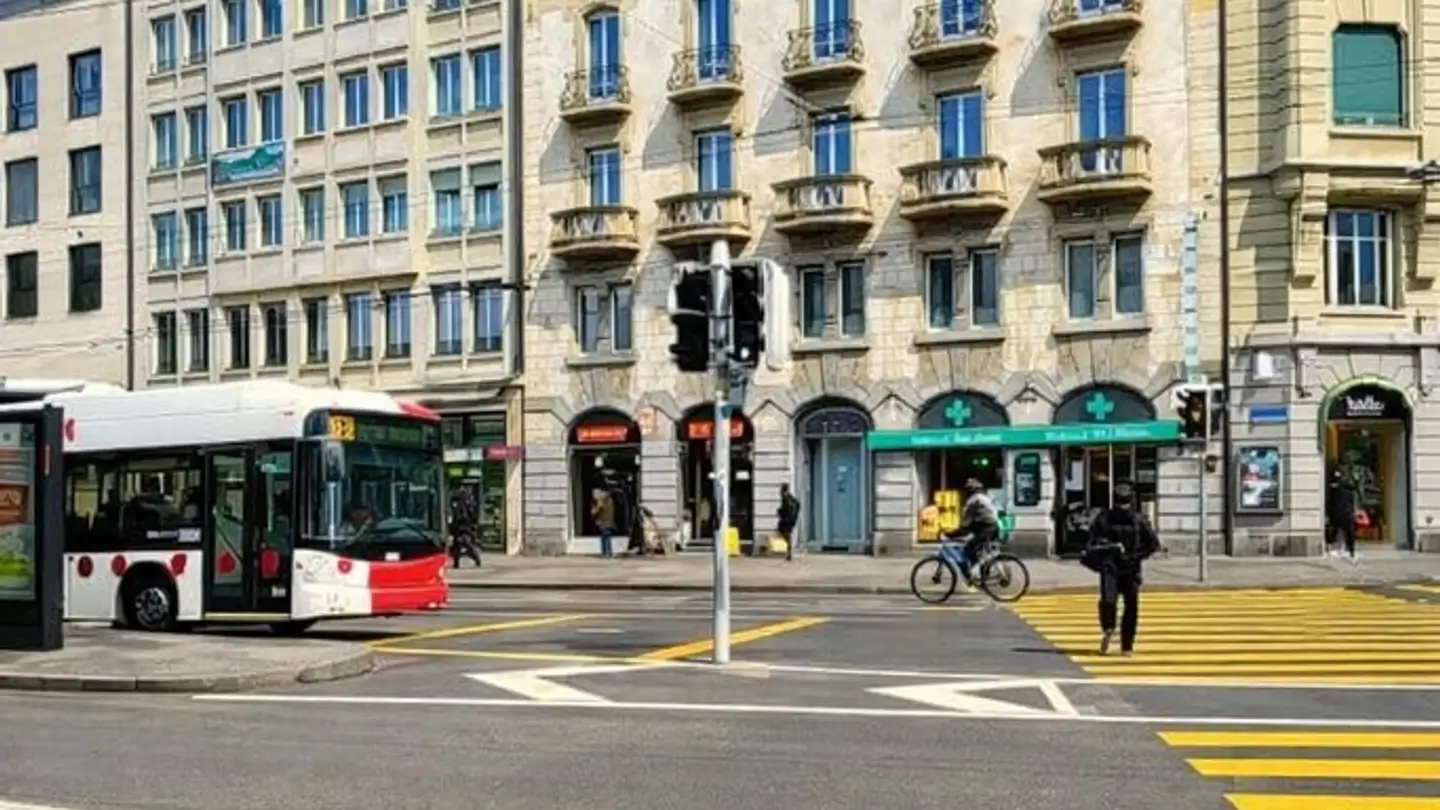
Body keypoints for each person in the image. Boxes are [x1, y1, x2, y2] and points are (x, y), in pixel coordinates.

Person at [1084, 481, 1159, 657]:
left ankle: (1127, 645)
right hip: (1111, 566)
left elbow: (1153, 544)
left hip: (1130, 568)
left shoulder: (1138, 520)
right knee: (1109, 601)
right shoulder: (1104, 518)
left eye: (1124, 503)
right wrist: (1106, 546)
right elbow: (1091, 541)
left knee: (1129, 606)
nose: (1122, 507)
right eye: (1119, 503)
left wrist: (1136, 555)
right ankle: (1109, 629)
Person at [944, 478, 998, 583]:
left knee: (970, 547)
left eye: (967, 490)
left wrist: (952, 533)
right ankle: (978, 572)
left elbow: (966, 522)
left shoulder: (974, 500)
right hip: (989, 526)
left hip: (986, 528)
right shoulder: (982, 497)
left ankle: (975, 574)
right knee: (972, 546)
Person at [1326, 469, 1358, 561]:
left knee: (1335, 530)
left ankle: (1331, 546)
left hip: (1338, 513)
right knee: (1348, 532)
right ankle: (1350, 550)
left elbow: (1331, 503)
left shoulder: (1334, 490)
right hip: (1345, 513)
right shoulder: (1347, 491)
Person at [449, 487, 482, 569]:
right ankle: (456, 563)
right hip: (460, 528)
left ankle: (475, 558)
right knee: (458, 545)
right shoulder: (459, 506)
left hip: (464, 528)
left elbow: (465, 516)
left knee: (465, 543)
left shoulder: (463, 506)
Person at [590, 487, 616, 559]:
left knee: (604, 538)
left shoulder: (602, 502)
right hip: (608, 521)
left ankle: (605, 552)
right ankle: (609, 552)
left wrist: (596, 507)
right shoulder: (610, 501)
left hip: (603, 521)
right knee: (607, 537)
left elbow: (596, 512)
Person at [777, 483, 801, 560]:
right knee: (786, 534)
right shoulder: (789, 497)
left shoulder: (786, 497)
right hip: (790, 519)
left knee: (786, 534)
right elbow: (797, 504)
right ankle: (788, 552)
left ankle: (789, 552)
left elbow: (787, 508)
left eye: (781, 490)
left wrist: (781, 512)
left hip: (787, 520)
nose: (780, 492)